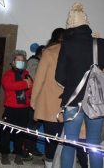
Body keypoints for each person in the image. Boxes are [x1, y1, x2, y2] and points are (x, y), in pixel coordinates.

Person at [55, 3, 104, 168]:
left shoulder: (67, 45)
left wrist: (72, 85)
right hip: (96, 101)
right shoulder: (100, 43)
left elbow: (59, 77)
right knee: (94, 145)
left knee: (69, 144)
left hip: (73, 101)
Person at [31, 28, 65, 168]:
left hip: (49, 103)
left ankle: (50, 164)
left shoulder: (49, 52)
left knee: (51, 139)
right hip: (68, 104)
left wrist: (34, 101)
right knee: (63, 139)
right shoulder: (73, 52)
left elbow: (39, 79)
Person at [0, 50, 33, 165]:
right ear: (13, 62)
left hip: (24, 108)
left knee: (20, 133)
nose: (20, 62)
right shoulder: (8, 74)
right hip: (11, 108)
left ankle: (18, 155)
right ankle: (5, 154)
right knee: (6, 132)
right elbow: (8, 86)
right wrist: (25, 84)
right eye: (18, 60)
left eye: (22, 60)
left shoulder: (27, 74)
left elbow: (31, 88)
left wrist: (28, 85)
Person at [25, 44, 46, 157]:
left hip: (38, 98)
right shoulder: (34, 62)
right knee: (32, 125)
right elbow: (34, 79)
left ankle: (31, 147)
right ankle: (28, 148)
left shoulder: (39, 62)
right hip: (33, 98)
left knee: (35, 125)